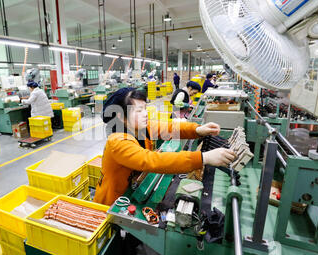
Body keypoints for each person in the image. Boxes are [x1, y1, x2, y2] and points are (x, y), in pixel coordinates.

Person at [93, 87, 236, 206]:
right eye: (138, 111)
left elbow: (169, 127)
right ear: (120, 116)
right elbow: (151, 160)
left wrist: (197, 130)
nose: (145, 114)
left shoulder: (143, 128)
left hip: (131, 191)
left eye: (145, 108)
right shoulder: (117, 141)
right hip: (113, 203)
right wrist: (203, 158)